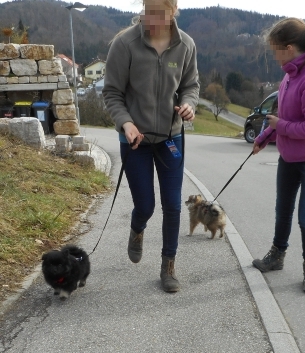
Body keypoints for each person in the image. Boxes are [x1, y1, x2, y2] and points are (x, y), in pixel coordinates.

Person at [102, 0, 199, 293]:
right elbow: (112, 93)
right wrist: (125, 123)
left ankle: (168, 266)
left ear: (173, 12)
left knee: (173, 205)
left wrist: (189, 105)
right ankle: (137, 228)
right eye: (148, 10)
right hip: (136, 140)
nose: (151, 18)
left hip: (171, 137)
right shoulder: (124, 43)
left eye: (159, 12)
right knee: (145, 205)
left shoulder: (185, 45)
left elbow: (191, 85)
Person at [252, 17, 305, 293]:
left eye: (275, 49)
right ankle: (277, 256)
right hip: (289, 157)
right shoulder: (289, 76)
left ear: (288, 48)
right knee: (282, 210)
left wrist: (279, 127)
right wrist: (263, 137)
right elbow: (281, 117)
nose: (273, 55)